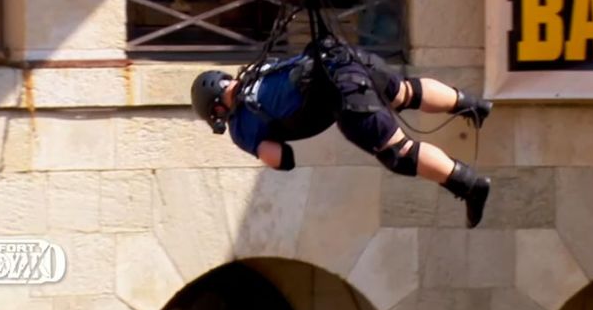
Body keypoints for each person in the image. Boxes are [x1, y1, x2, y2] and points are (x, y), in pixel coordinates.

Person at [191, 38, 493, 228]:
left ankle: (470, 185)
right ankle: (474, 105)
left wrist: (263, 149)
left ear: (217, 109)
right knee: (404, 92)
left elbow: (282, 159)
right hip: (344, 57)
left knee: (398, 152)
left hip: (342, 93)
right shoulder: (258, 70)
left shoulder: (241, 128)